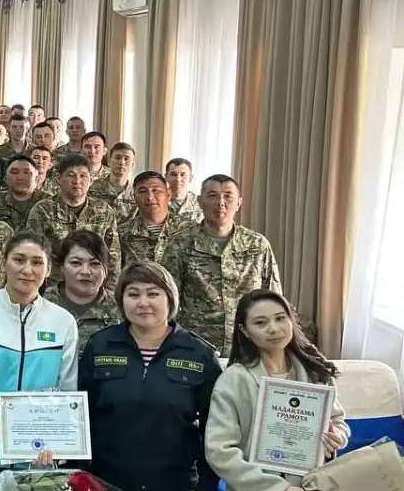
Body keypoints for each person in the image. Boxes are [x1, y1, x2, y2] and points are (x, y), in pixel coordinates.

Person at [79, 261, 222, 491]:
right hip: (105, 481)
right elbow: (82, 415)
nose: (143, 303)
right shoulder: (101, 345)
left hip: (176, 482)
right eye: (133, 294)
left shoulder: (199, 353)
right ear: (121, 300)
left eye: (153, 294)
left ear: (170, 299)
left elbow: (214, 430)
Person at [0, 232, 78, 487]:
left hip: (39, 465)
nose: (27, 270)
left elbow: (67, 393)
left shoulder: (62, 322)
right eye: (19, 260)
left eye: (37, 262)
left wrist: (57, 451)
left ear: (49, 269)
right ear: (3, 263)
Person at [205, 289, 350, 491]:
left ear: (291, 320)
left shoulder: (315, 371)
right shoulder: (234, 380)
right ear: (244, 330)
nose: (273, 329)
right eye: (260, 323)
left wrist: (337, 437)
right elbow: (219, 452)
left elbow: (338, 421)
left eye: (280, 318)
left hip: (314, 484)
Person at [161, 175, 282, 353]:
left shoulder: (257, 245)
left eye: (228, 196)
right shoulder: (181, 243)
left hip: (248, 343)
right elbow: (167, 299)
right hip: (196, 345)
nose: (221, 203)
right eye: (212, 196)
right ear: (200, 201)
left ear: (239, 202)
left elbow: (273, 298)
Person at [26, 154, 121, 280]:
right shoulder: (42, 210)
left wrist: (109, 293)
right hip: (53, 286)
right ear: (59, 179)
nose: (77, 181)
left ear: (91, 179)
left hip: (92, 285)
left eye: (83, 176)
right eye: (71, 175)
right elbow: (33, 252)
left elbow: (113, 257)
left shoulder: (104, 211)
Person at [44, 229, 120, 352]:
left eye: (95, 264)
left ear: (105, 270)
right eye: (76, 263)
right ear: (62, 267)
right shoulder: (40, 305)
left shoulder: (121, 311)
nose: (85, 271)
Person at [120, 171, 194, 267]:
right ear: (134, 198)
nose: (150, 197)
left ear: (168, 195)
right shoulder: (122, 234)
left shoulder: (190, 230)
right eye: (142, 191)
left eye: (156, 190)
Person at [0, 155, 46, 232]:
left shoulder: (47, 202)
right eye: (14, 172)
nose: (20, 177)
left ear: (37, 178)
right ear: (5, 178)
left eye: (26, 172)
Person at [88, 142, 137, 221]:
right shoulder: (92, 188)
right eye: (117, 158)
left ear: (133, 164)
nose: (122, 162)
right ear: (109, 162)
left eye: (126, 159)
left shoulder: (137, 192)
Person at [165, 158, 204, 223]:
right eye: (173, 174)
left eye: (183, 175)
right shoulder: (157, 202)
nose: (178, 179)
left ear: (190, 178)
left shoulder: (201, 204)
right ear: (166, 177)